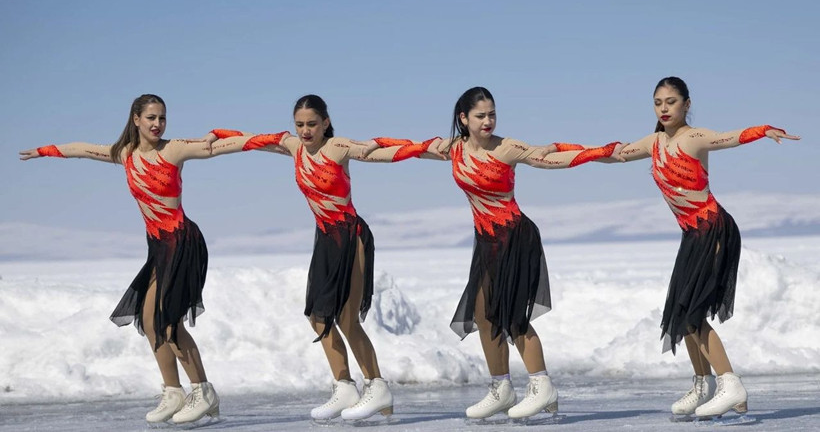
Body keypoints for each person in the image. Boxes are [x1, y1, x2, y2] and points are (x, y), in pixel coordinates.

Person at [18, 94, 283, 425]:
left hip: (183, 242)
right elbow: (83, 149)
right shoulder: (124, 155)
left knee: (169, 322)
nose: (157, 124)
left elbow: (225, 148)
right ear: (136, 120)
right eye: (151, 118)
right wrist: (46, 151)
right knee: (148, 320)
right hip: (158, 246)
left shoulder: (174, 150)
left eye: (162, 118)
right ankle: (174, 392)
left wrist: (274, 139)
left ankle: (203, 392)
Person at [369, 86, 621, 421]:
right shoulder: (453, 149)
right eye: (480, 115)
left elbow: (551, 160)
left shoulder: (506, 148)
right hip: (487, 241)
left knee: (513, 316)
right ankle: (501, 388)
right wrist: (373, 145)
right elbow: (411, 149)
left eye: (492, 114)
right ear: (463, 118)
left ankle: (542, 384)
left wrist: (598, 152)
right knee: (484, 314)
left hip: (515, 236)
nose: (488, 121)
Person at [205, 94, 438, 422]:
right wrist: (218, 134)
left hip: (350, 236)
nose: (305, 130)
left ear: (326, 122)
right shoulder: (293, 147)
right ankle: (344, 386)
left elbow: (379, 153)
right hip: (325, 239)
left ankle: (377, 384)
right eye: (299, 124)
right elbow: (252, 141)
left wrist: (430, 148)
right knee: (318, 317)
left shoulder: (338, 147)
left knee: (346, 318)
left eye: (312, 124)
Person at [611, 76, 800, 419]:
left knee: (694, 312)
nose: (664, 108)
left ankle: (730, 383)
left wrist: (763, 130)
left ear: (686, 104)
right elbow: (617, 155)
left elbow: (728, 138)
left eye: (671, 101)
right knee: (682, 314)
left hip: (713, 229)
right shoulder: (653, 142)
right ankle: (704, 385)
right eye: (658, 102)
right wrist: (568, 151)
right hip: (691, 235)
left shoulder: (694, 138)